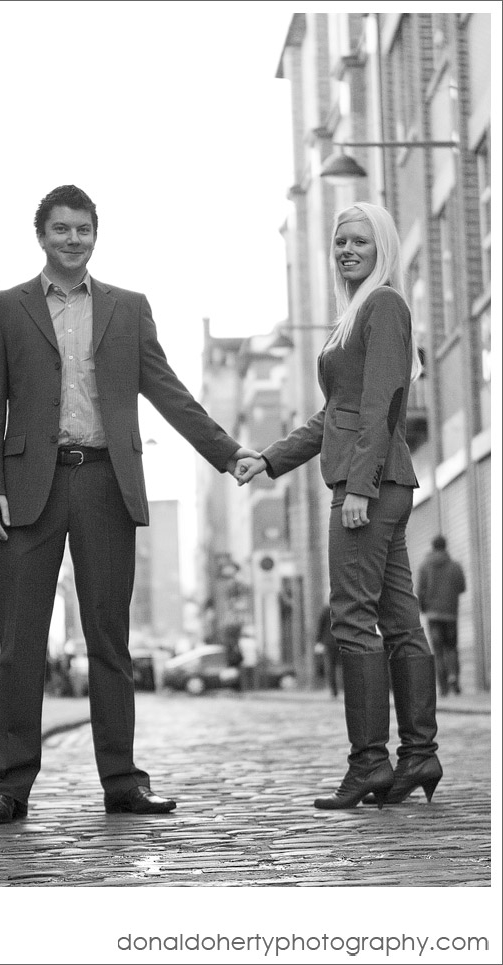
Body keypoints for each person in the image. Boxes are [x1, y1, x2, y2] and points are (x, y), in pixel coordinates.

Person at [0, 184, 257, 826]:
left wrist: (226, 451)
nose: (73, 239)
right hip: (26, 490)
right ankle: (7, 786)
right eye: (61, 229)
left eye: (84, 229)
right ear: (41, 236)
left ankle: (123, 781)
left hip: (106, 482)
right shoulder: (3, 309)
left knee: (109, 638)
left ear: (96, 236)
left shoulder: (128, 309)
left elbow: (166, 389)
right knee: (19, 642)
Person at [235, 202, 442, 810]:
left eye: (359, 240)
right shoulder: (357, 312)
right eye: (340, 241)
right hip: (381, 481)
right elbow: (335, 416)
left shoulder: (383, 305)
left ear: (382, 246)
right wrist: (269, 459)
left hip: (369, 486)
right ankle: (419, 754)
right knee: (400, 619)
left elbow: (377, 405)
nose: (347, 249)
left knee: (353, 618)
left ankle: (369, 763)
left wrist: (356, 487)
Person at [417, 535, 466, 696]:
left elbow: (419, 591)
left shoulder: (424, 566)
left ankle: (443, 688)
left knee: (438, 651)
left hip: (433, 615)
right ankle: (454, 679)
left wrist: (423, 608)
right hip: (450, 613)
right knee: (452, 648)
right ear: (445, 546)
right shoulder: (455, 566)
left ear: (433, 547)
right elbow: (462, 587)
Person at [315, 603, 341, 698]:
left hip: (329, 642)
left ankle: (334, 691)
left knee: (331, 667)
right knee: (341, 666)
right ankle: (343, 689)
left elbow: (320, 626)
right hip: (341, 640)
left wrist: (318, 641)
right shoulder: (342, 608)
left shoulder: (326, 610)